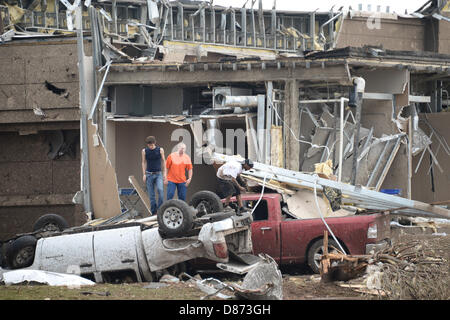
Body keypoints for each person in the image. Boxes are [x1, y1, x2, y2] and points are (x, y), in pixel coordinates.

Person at [141, 136, 166, 215]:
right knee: (151, 196)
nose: (151, 147)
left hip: (158, 174)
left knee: (160, 191)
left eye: (152, 145)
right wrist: (144, 174)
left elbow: (163, 161)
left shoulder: (160, 150)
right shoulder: (144, 151)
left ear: (154, 143)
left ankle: (160, 210)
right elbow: (143, 162)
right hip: (149, 174)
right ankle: (154, 212)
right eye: (149, 145)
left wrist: (165, 173)